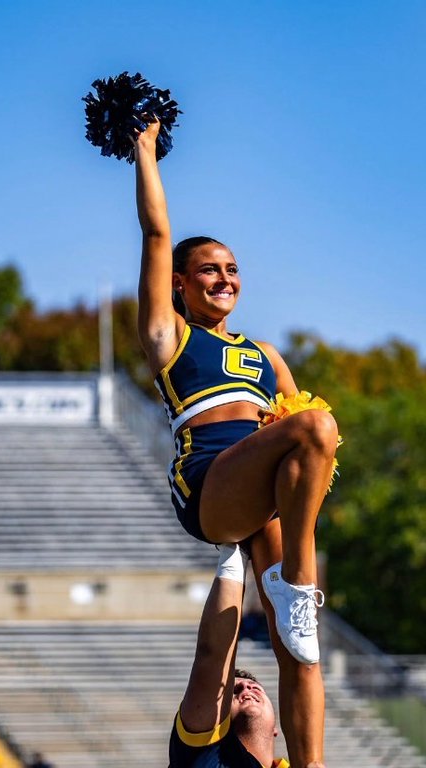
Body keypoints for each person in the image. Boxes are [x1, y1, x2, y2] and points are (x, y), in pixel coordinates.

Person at [133, 117, 335, 768]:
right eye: (208, 270)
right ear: (179, 285)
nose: (224, 279)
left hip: (266, 496)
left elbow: (303, 451)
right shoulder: (172, 339)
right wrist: (144, 151)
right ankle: (295, 590)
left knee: (298, 651)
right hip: (211, 483)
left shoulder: (265, 354)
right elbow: (157, 234)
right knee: (314, 424)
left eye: (232, 269)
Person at [171, 543, 290, 768]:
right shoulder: (200, 751)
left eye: (255, 688)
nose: (247, 689)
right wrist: (236, 548)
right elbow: (212, 657)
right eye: (235, 690)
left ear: (277, 728)